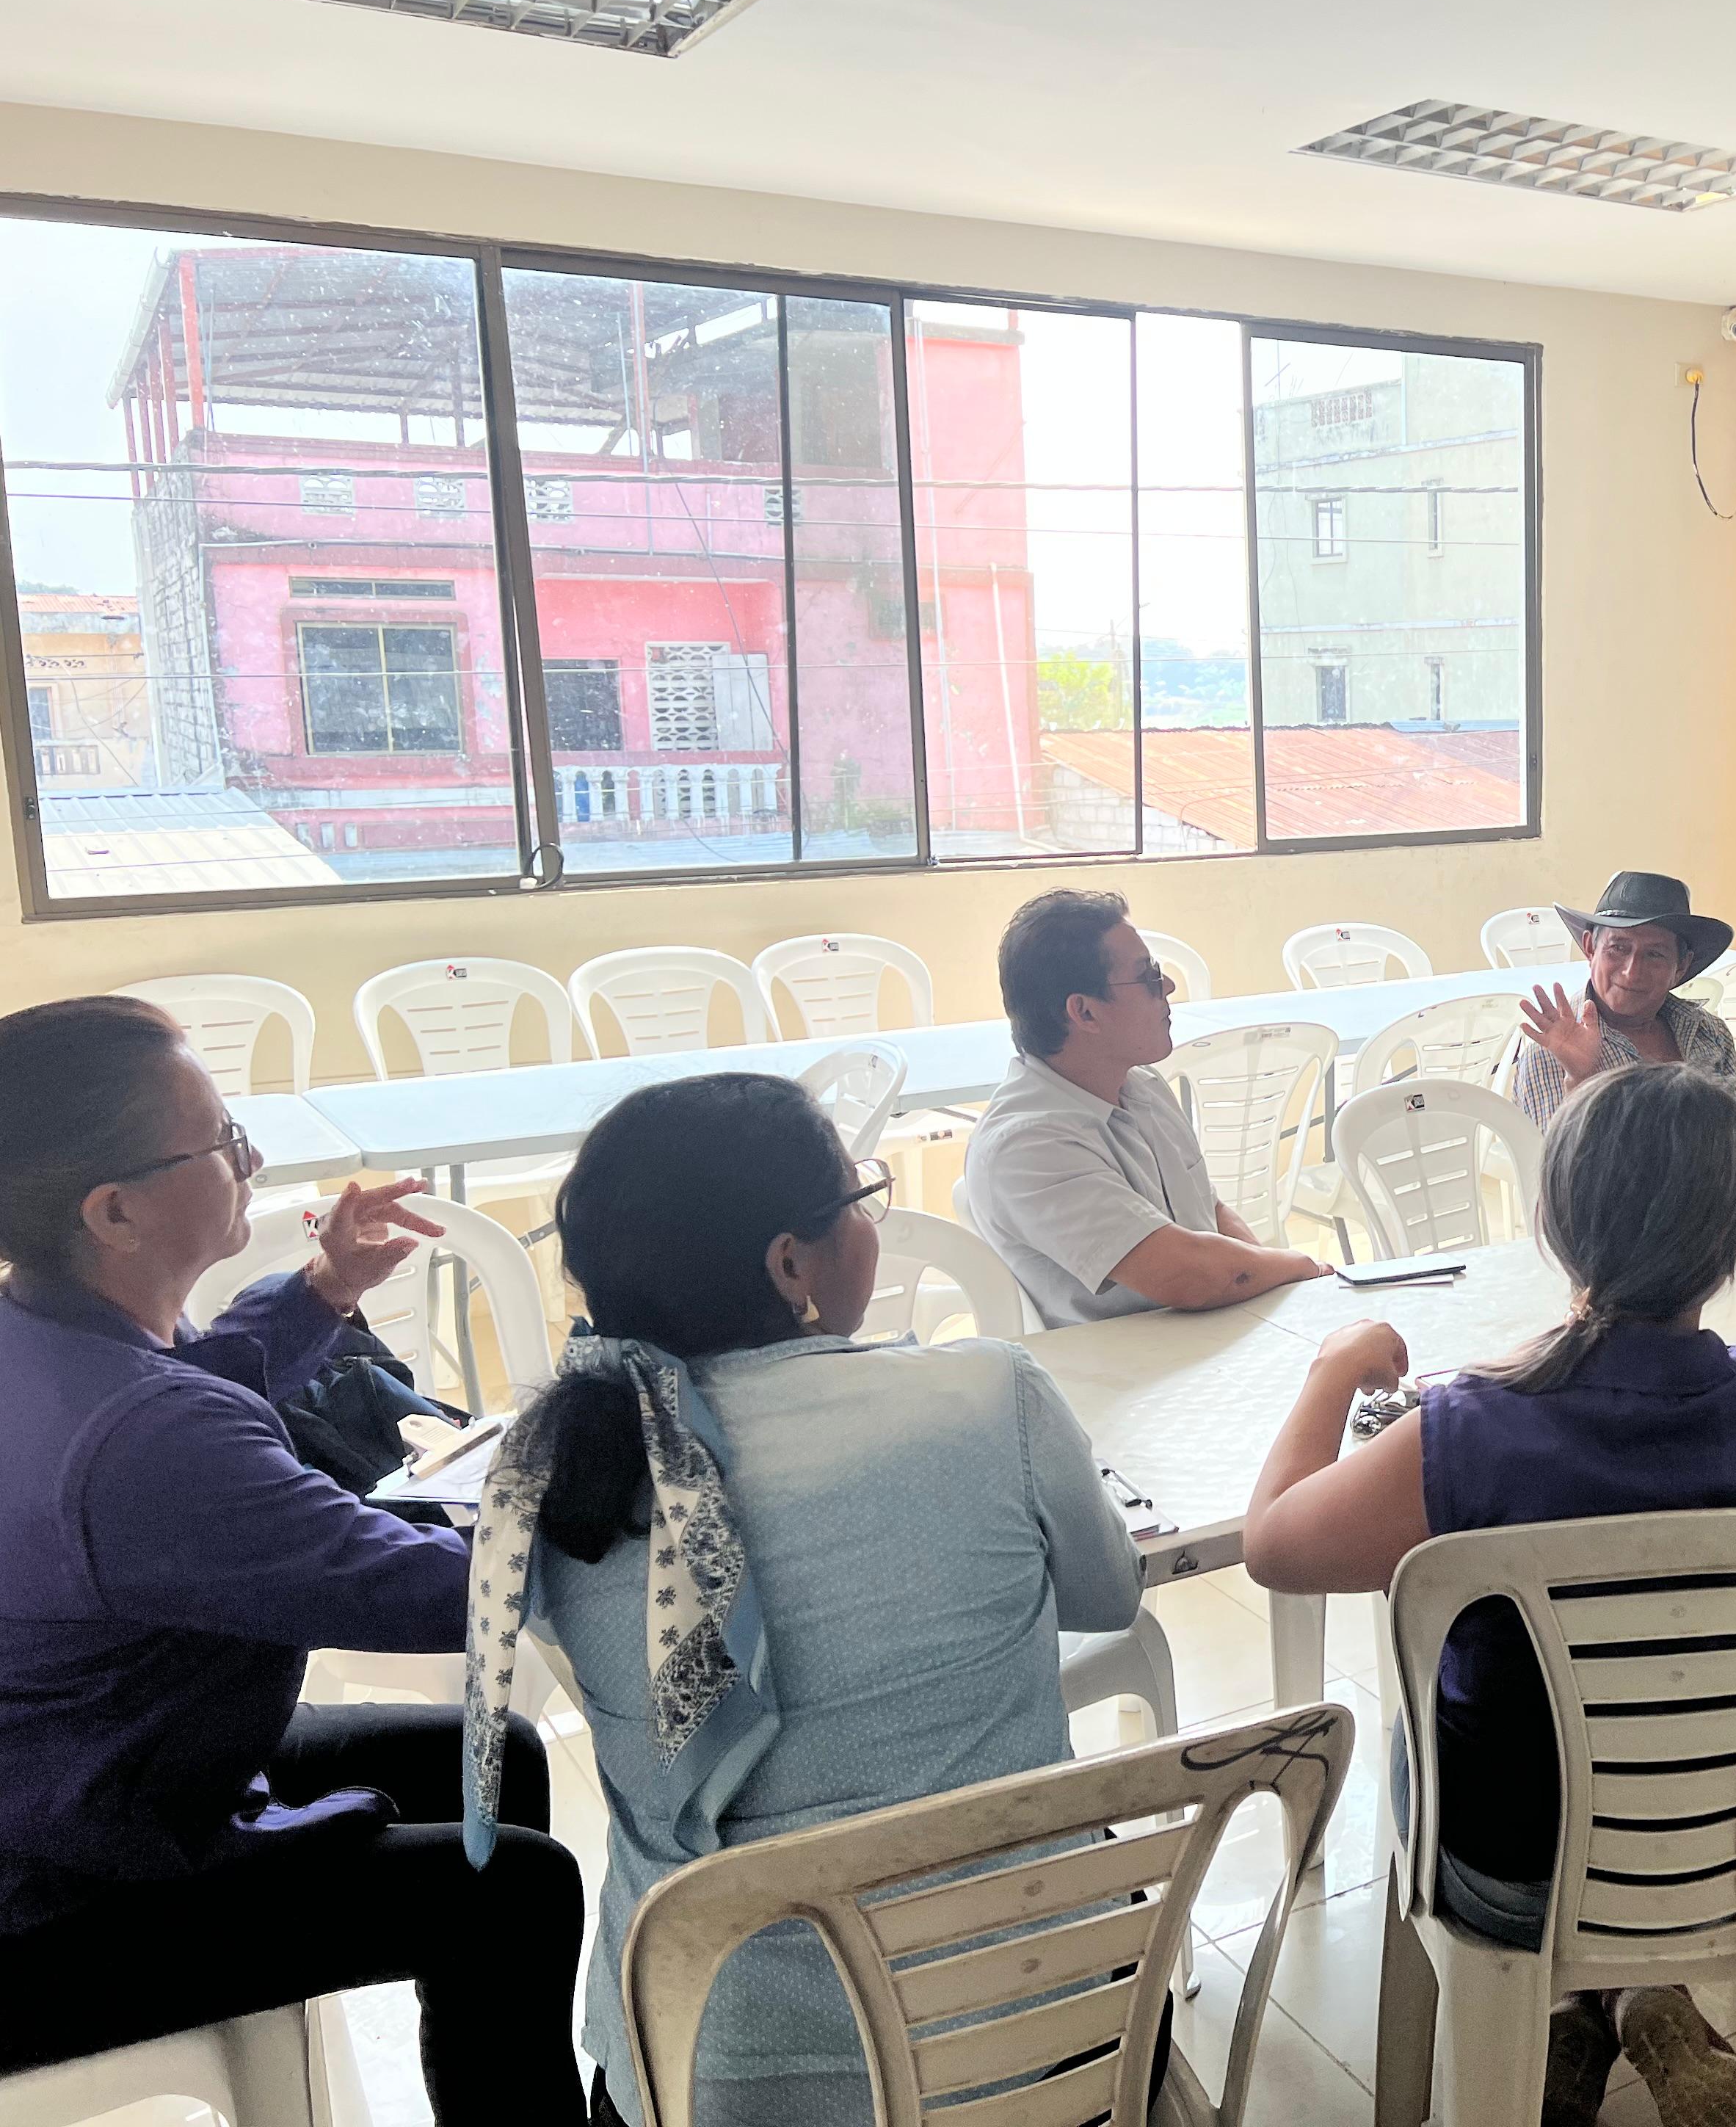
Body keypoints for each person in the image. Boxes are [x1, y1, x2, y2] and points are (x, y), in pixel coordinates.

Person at [468, 1072, 1150, 2127]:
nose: (872, 1224)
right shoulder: (988, 1395)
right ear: (791, 1264)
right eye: (858, 1200)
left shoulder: (545, 1483)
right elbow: (1108, 1597)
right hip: (1029, 2038)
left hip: (703, 2072)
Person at [1244, 1064, 1736, 2127]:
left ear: (1552, 1225)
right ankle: (1631, 1993)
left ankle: (1576, 2006)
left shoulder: (1470, 1432)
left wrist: (1332, 1368)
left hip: (1520, 1867)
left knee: (1422, 1732)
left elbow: (1272, 1544)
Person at [0, 996, 584, 2123]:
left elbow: (191, 1387)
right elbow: (439, 1596)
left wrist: (323, 1289)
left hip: (86, 1772)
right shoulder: (144, 1440)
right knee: (517, 1890)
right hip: (53, 1901)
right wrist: (596, 1500)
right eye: (222, 1140)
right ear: (115, 1212)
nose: (252, 1160)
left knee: (493, 1755)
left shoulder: (48, 1334)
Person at [967, 887, 1327, 1327]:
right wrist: (1302, 1267)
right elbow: (1188, 1276)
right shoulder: (1028, 1144)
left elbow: (1211, 1214)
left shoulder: (1143, 1086)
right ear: (1085, 1013)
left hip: (1206, 1339)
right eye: (1149, 976)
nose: (1169, 987)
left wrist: (1277, 1285)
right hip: (1123, 1365)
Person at [1511, 868, 1736, 1188]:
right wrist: (1584, 1081)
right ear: (1590, 947)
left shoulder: (1705, 1032)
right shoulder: (1552, 1054)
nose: (1632, 971)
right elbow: (1571, 1189)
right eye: (1618, 948)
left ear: (1681, 967)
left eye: (1654, 954)